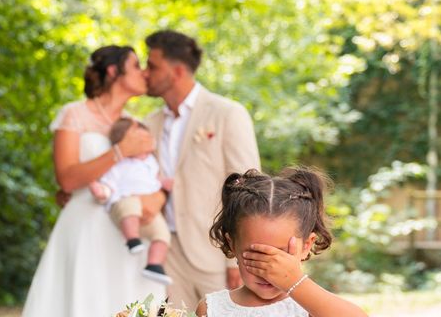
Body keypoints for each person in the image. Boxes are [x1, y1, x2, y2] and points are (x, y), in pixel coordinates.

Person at [21, 45, 167, 317]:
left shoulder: (135, 124)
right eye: (136, 66)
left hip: (128, 230)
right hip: (84, 226)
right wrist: (120, 151)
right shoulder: (74, 114)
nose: (144, 73)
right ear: (113, 71)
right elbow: (66, 179)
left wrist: (156, 198)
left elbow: (149, 178)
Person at [142, 30, 261, 311]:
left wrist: (237, 258)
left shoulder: (227, 113)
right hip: (164, 252)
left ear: (177, 71)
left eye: (152, 66)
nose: (145, 73)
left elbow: (247, 187)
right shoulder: (149, 123)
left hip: (215, 249)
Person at [196, 168, 368, 317]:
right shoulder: (212, 308)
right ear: (232, 243)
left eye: (280, 255)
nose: (268, 270)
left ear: (306, 245)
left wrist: (295, 282)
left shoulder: (311, 306)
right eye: (257, 256)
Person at [89, 117, 173, 285]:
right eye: (141, 140)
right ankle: (132, 238)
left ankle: (154, 264)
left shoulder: (150, 162)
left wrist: (164, 183)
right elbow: (109, 183)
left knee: (162, 233)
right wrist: (102, 191)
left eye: (148, 140)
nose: (147, 144)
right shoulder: (120, 164)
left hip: (149, 208)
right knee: (130, 207)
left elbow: (154, 179)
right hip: (124, 200)